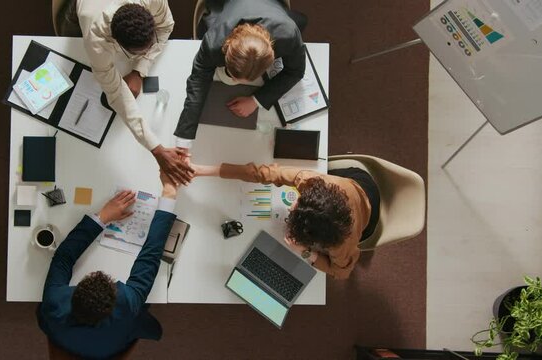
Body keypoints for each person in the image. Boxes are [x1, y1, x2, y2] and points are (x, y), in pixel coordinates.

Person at [37, 174, 179, 359]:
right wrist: (168, 197)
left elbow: (63, 258)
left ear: (74, 293)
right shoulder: (127, 306)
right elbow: (149, 259)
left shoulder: (55, 303)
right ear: (115, 302)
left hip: (77, 341)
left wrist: (102, 216)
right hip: (108, 345)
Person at [56, 0, 193, 185]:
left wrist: (139, 69)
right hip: (83, 9)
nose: (148, 51)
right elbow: (116, 93)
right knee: (73, 45)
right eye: (138, 53)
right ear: (117, 42)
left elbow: (166, 27)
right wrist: (156, 149)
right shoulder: (96, 38)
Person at [191, 162, 380, 279]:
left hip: (367, 217)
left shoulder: (342, 244)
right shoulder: (316, 182)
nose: (290, 206)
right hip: (357, 180)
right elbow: (264, 173)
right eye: (299, 202)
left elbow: (342, 272)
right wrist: (202, 170)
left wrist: (305, 252)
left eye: (294, 211)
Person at [173, 0, 307, 149]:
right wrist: (183, 139)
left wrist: (256, 100)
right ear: (225, 55)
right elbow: (198, 79)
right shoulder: (213, 42)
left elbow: (296, 71)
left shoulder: (288, 33)